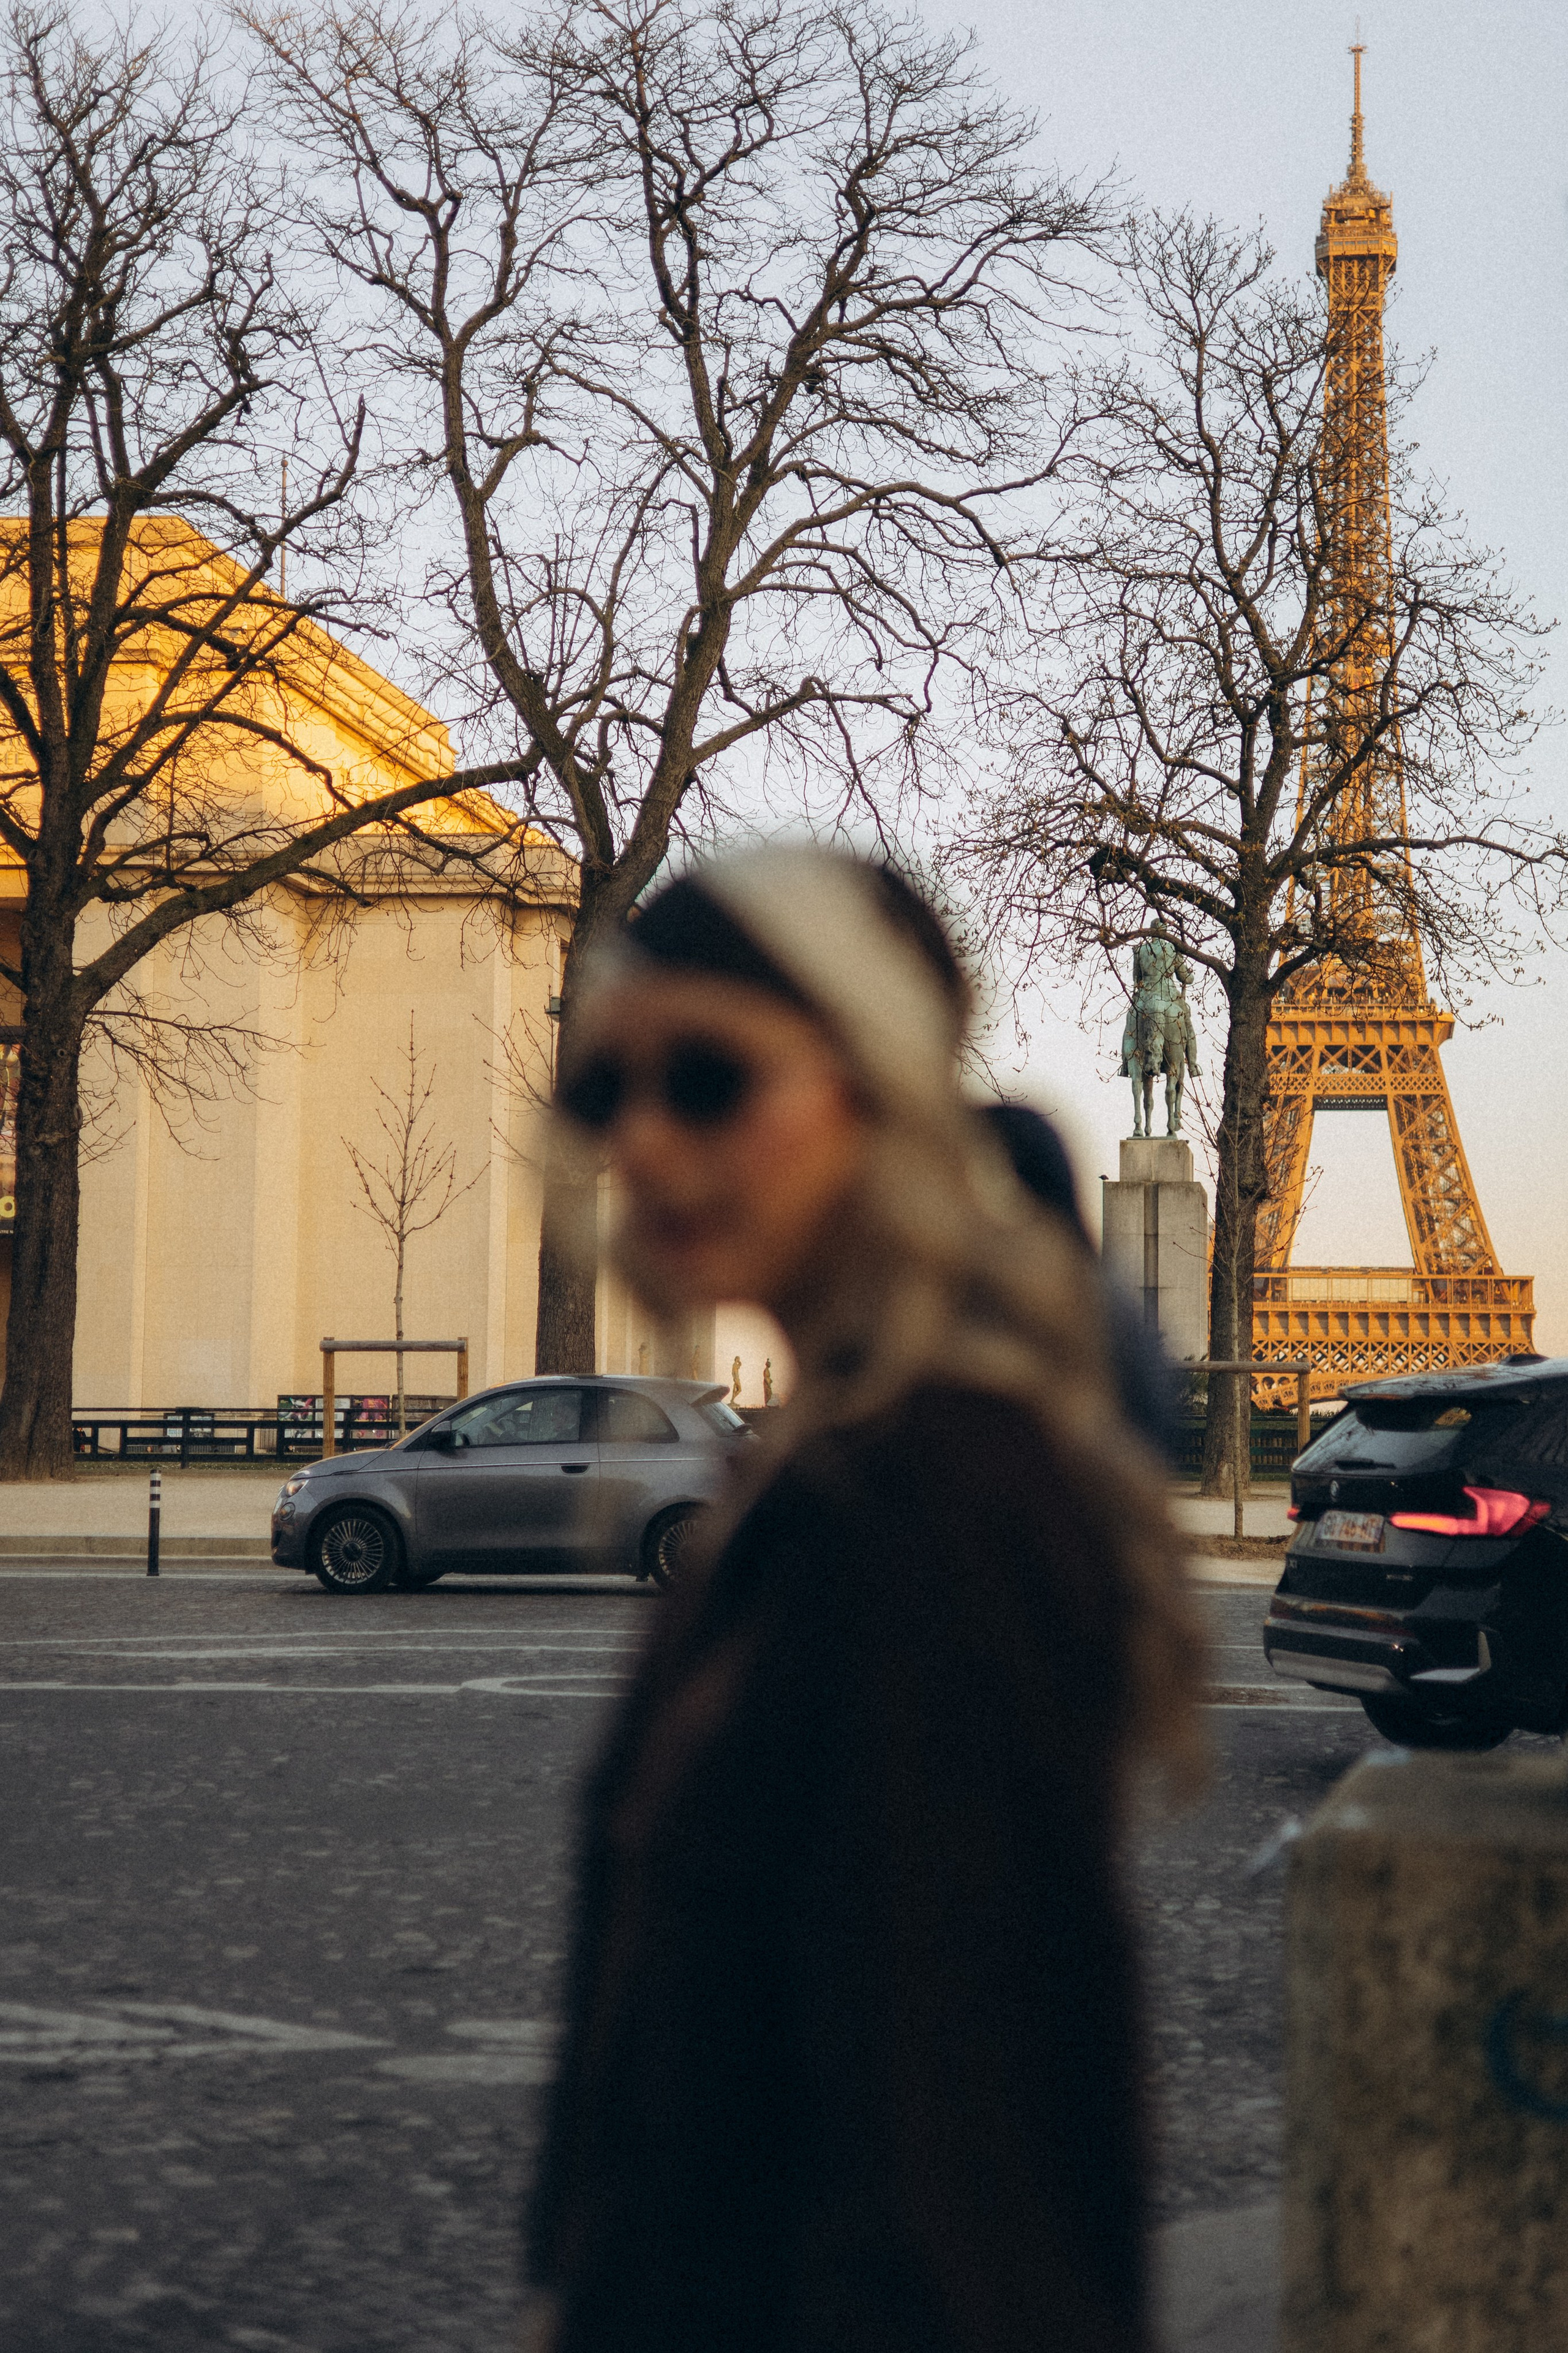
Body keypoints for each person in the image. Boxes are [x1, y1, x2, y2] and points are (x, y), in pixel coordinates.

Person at [526, 845, 1205, 2353]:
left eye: (705, 1080)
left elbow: (953, 2180)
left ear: (872, 1087)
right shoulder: (842, 1454)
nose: (638, 1139)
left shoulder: (934, 1500)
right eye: (602, 1091)